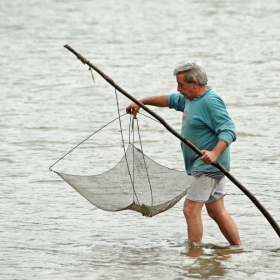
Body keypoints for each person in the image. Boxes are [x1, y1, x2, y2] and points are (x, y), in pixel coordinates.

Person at [126, 62, 241, 245]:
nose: (178, 89)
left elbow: (228, 130)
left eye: (181, 85)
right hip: (206, 166)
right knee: (216, 211)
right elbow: (170, 100)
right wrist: (142, 102)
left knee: (190, 210)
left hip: (207, 165)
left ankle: (194, 255)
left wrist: (214, 153)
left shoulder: (210, 101)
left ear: (195, 83)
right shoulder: (190, 98)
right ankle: (237, 248)